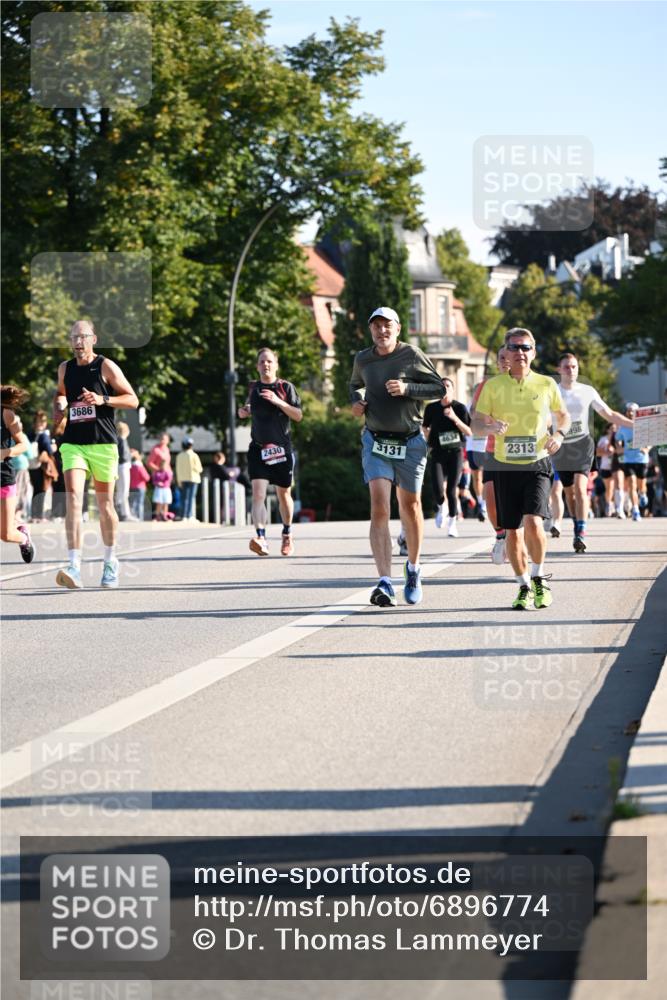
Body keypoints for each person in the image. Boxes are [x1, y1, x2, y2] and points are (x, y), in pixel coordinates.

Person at [350, 306, 444, 607]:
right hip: (375, 440)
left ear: (398, 328)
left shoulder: (411, 355)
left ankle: (413, 568)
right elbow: (354, 386)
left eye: (387, 326)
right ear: (371, 330)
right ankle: (385, 581)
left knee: (410, 506)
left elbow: (438, 388)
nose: (382, 331)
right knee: (379, 506)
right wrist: (356, 402)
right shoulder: (363, 359)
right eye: (376, 326)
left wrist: (407, 388)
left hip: (410, 441)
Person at [472, 328, 570, 611]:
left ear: (534, 352)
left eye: (525, 347)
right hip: (504, 465)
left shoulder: (546, 384)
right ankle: (523, 585)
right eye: (514, 347)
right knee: (512, 531)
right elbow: (476, 424)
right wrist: (490, 427)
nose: (520, 353)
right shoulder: (493, 386)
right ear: (506, 352)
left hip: (537, 463)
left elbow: (563, 416)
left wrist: (559, 435)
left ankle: (538, 577)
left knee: (534, 521)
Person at [53, 319, 138, 589]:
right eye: (74, 337)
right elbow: (61, 394)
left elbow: (132, 399)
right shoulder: (65, 368)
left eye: (83, 337)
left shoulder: (105, 366)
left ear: (94, 339)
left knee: (105, 506)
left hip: (102, 444)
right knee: (73, 499)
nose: (78, 342)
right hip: (73, 443)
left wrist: (103, 399)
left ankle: (110, 561)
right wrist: (59, 405)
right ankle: (74, 566)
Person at [551, 353, 633, 551]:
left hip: (582, 444)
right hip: (561, 446)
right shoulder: (552, 392)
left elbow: (609, 414)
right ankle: (576, 523)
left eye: (574, 366)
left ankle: (581, 531)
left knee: (580, 488)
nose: (571, 370)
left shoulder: (587, 391)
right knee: (569, 493)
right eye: (566, 367)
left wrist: (634, 424)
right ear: (559, 370)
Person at [238, 347, 302, 557]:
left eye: (269, 361)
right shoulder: (253, 387)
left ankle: (287, 533)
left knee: (284, 494)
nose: (265, 364)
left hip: (281, 450)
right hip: (258, 449)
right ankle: (261, 538)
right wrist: (244, 411)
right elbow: (249, 406)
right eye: (261, 362)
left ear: (276, 365)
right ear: (257, 366)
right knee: (258, 494)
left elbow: (298, 415)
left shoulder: (285, 387)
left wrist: (278, 401)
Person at [469, 346, 512, 564]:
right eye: (501, 358)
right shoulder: (486, 386)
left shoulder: (529, 384)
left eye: (509, 357)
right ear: (497, 363)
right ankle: (500, 535)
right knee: (490, 496)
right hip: (493, 449)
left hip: (521, 453)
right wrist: (488, 422)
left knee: (515, 500)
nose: (506, 361)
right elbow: (473, 414)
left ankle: (517, 537)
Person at [422, 378, 472, 538]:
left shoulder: (459, 408)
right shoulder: (431, 408)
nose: (444, 388)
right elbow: (424, 426)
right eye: (441, 386)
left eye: (448, 385)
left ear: (452, 389)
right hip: (437, 452)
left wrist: (454, 418)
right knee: (438, 489)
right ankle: (441, 507)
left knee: (451, 490)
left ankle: (452, 523)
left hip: (455, 453)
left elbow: (469, 432)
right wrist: (428, 435)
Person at [1, 384, 35, 562]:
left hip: (3, 479)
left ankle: (23, 538)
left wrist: (5, 453)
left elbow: (23, 445)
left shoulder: (6, 414)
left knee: (6, 535)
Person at [614, 402, 649, 521]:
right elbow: (617, 439)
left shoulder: (643, 425)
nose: (630, 412)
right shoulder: (623, 426)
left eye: (632, 410)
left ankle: (643, 494)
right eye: (628, 410)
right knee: (632, 484)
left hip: (641, 459)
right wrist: (619, 447)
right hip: (628, 459)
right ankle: (635, 510)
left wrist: (647, 448)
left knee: (641, 486)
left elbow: (651, 439)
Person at [175, 437, 203, 521]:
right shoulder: (194, 455)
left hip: (182, 479)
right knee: (191, 498)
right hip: (193, 479)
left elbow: (177, 469)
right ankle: (189, 515)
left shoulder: (179, 456)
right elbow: (199, 469)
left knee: (183, 498)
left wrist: (178, 480)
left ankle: (183, 515)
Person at [596, 423, 616, 517]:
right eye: (612, 428)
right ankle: (609, 504)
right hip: (606, 466)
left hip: (616, 466)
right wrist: (607, 452)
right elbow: (597, 452)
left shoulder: (618, 437)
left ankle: (615, 505)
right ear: (607, 430)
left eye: (615, 428)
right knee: (609, 487)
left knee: (617, 487)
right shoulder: (603, 439)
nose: (613, 430)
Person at [114, 421, 132, 520]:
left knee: (122, 490)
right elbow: (123, 456)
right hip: (122, 466)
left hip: (121, 466)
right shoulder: (121, 440)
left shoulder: (119, 440)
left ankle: (124, 512)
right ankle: (123, 512)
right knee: (124, 490)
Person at [129, 449, 150, 520]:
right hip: (140, 487)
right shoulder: (140, 467)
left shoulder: (130, 467)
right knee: (140, 503)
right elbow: (147, 477)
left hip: (132, 486)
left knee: (133, 503)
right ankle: (140, 518)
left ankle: (133, 517)